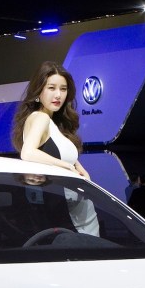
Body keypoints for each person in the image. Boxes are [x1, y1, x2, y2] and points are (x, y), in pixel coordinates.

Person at [11, 60, 98, 235]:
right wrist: (65, 166)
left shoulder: (55, 123)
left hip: (77, 208)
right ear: (38, 91)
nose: (58, 95)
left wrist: (79, 170)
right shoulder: (40, 118)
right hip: (64, 210)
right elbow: (28, 153)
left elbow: (69, 160)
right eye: (51, 88)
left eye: (63, 89)